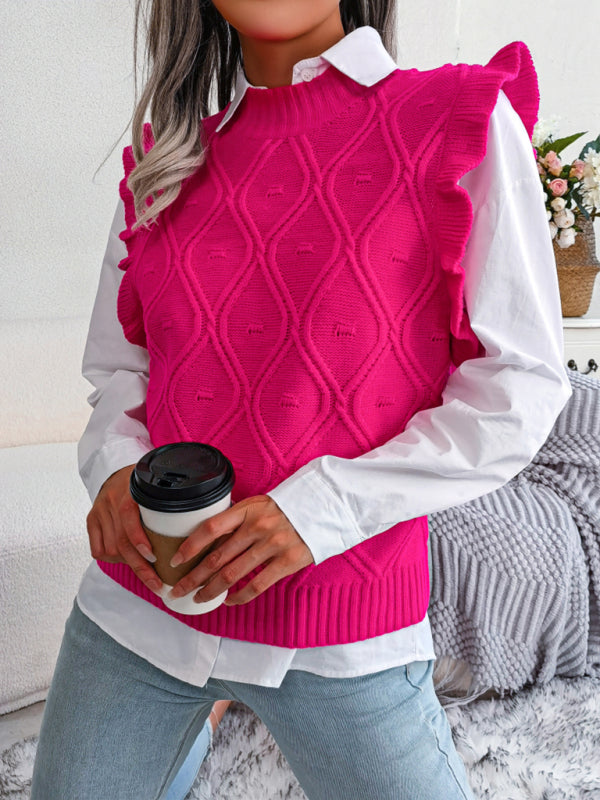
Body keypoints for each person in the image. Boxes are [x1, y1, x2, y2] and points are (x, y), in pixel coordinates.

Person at [31, 1, 572, 798]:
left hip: (341, 632)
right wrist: (114, 469)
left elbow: (518, 386)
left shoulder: (457, 119)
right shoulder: (165, 159)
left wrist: (319, 512)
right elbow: (120, 371)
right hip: (137, 615)